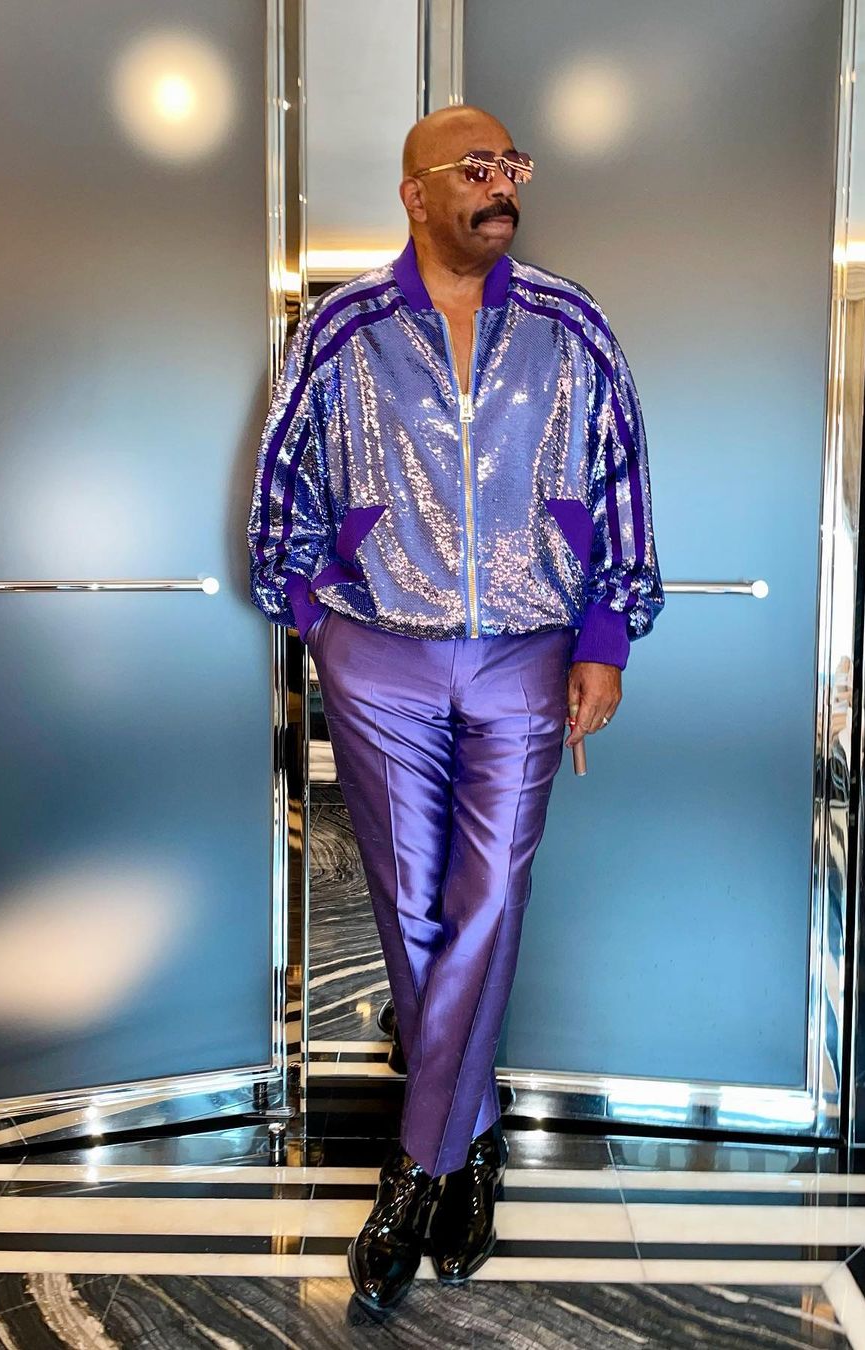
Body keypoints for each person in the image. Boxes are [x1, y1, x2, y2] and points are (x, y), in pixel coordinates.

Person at [248, 104, 663, 1312]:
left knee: (488, 899)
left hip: (527, 651)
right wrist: (317, 612)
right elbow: (280, 487)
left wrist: (605, 636)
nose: (501, 186)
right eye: (475, 168)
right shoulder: (343, 330)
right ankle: (474, 1141)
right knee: (413, 901)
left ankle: (418, 1169)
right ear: (416, 192)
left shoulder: (572, 325)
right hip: (379, 650)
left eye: (511, 166)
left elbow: (622, 481)